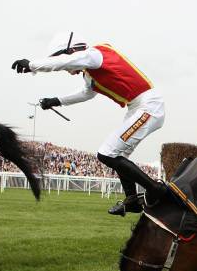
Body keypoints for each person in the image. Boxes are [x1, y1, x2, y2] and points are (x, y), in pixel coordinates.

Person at [11, 31, 167, 216]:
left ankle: (156, 190)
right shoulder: (89, 73)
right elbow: (86, 93)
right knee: (118, 154)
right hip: (137, 108)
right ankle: (132, 200)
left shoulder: (94, 54)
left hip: (149, 106)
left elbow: (66, 62)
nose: (69, 72)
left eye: (63, 60)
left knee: (106, 153)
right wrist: (56, 100)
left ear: (70, 50)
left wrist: (32, 65)